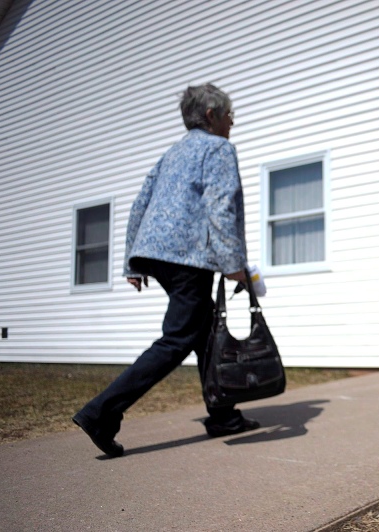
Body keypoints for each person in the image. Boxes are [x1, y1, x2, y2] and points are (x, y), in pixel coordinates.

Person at [72, 84, 260, 458]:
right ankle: (101, 412)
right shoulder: (219, 148)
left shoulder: (170, 154)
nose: (232, 121)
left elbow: (140, 203)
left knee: (204, 331)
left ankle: (222, 414)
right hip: (187, 256)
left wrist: (132, 260)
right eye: (228, 114)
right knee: (177, 340)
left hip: (156, 254)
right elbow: (221, 207)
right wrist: (234, 265)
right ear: (211, 116)